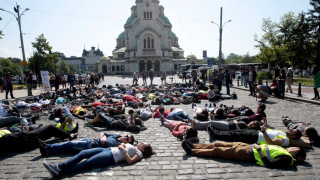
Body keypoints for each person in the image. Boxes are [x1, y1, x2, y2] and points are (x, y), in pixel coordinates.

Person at [43, 142, 155, 177]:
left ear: (144, 149)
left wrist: (124, 150)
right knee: (83, 153)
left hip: (111, 157)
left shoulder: (139, 153)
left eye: (142, 144)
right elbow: (122, 144)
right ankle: (60, 166)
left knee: (86, 164)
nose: (140, 143)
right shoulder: (135, 147)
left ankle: (60, 170)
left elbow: (130, 161)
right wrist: (122, 145)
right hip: (108, 149)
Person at [181, 140, 306, 168]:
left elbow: (270, 164)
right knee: (217, 144)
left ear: (297, 153)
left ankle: (191, 151)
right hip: (247, 147)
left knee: (217, 151)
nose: (293, 147)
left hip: (248, 153)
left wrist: (258, 149)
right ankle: (195, 146)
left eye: (295, 148)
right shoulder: (284, 150)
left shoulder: (287, 159)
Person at [208, 121, 302, 147]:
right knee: (236, 132)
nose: (291, 130)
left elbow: (271, 142)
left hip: (256, 138)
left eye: (293, 131)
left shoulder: (285, 140)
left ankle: (215, 134)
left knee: (235, 135)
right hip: (257, 133)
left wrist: (264, 131)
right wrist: (263, 127)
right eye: (292, 129)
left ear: (293, 136)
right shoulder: (283, 133)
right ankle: (217, 132)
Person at [0, 125, 78, 155]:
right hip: (29, 138)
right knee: (49, 127)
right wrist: (24, 130)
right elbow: (22, 135)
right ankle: (69, 135)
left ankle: (67, 134)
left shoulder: (3, 143)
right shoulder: (5, 138)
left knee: (50, 132)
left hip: (27, 144)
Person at [39, 133, 135, 156]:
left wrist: (103, 138)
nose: (125, 137)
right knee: (68, 148)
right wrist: (103, 136)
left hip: (89, 145)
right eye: (126, 136)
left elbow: (104, 142)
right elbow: (103, 134)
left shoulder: (117, 143)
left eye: (127, 139)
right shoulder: (116, 136)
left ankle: (48, 147)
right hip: (89, 140)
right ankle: (47, 151)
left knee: (69, 143)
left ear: (127, 142)